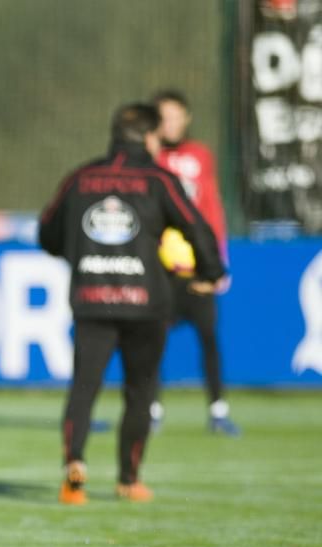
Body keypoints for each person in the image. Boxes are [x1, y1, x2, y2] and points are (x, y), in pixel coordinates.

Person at [38, 103, 226, 505]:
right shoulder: (159, 179)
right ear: (152, 137)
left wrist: (77, 251)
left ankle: (75, 465)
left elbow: (47, 233)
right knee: (140, 391)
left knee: (84, 388)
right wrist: (210, 272)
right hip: (146, 303)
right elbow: (196, 226)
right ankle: (129, 478)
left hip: (91, 298)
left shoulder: (81, 177)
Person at [151, 90, 239, 436]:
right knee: (152, 340)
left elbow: (212, 207)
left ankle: (218, 410)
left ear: (187, 118)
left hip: (198, 266)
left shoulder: (200, 155)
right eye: (163, 117)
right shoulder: (150, 157)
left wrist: (218, 261)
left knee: (209, 338)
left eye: (176, 116)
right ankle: (152, 409)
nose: (170, 124)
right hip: (161, 269)